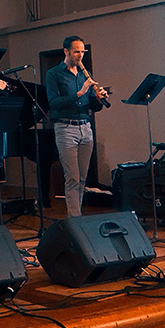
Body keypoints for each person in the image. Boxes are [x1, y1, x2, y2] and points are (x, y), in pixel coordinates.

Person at [45, 36, 108, 217]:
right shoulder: (54, 74)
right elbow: (54, 103)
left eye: (82, 52)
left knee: (82, 178)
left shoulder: (83, 75)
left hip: (85, 128)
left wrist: (98, 99)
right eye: (76, 52)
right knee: (72, 177)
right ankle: (75, 221)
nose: (80, 55)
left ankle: (77, 215)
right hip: (66, 128)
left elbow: (92, 107)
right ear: (66, 52)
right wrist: (81, 92)